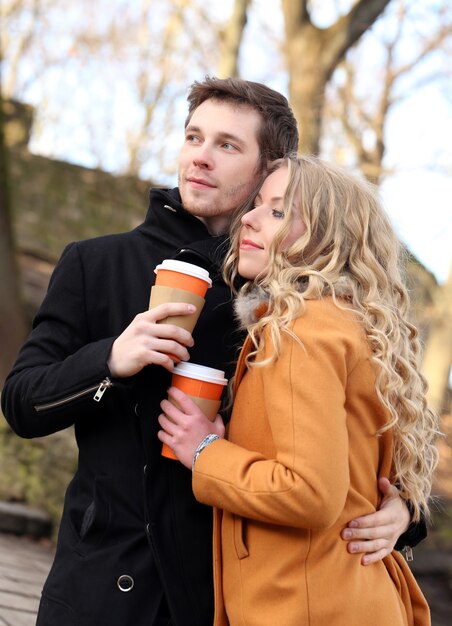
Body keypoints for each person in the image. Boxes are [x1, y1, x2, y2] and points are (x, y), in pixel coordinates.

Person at [1, 79, 422, 626]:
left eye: (227, 145)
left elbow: (364, 429)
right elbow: (22, 405)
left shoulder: (290, 297)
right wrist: (110, 359)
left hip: (225, 597)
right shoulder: (96, 263)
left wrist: (404, 511)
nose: (200, 157)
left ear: (269, 168)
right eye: (193, 136)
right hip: (102, 589)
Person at [158, 156, 439, 626]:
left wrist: (204, 451)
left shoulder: (303, 328)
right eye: (257, 206)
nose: (247, 218)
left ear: (326, 238)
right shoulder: (347, 324)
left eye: (276, 211)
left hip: (309, 607)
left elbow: (309, 492)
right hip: (344, 595)